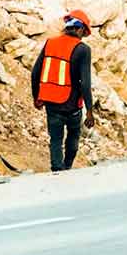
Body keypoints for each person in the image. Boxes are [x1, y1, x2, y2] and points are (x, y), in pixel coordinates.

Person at [31, 10, 96, 172]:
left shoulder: (50, 43)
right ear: (80, 29)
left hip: (51, 103)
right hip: (72, 105)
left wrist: (36, 97)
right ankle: (66, 168)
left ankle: (57, 170)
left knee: (55, 140)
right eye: (84, 33)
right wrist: (90, 110)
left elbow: (35, 73)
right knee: (73, 140)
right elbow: (85, 82)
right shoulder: (83, 49)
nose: (83, 37)